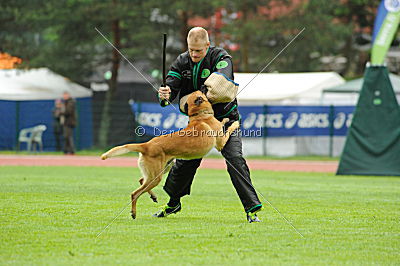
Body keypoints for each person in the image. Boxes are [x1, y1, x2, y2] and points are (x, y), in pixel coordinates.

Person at [155, 27, 262, 222]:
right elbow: (171, 86)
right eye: (191, 50)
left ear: (207, 45)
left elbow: (221, 85)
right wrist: (165, 94)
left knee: (235, 159)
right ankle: (173, 203)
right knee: (185, 163)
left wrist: (194, 96)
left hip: (226, 121)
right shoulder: (181, 61)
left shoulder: (221, 57)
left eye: (198, 50)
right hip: (200, 125)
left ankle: (251, 209)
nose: (194, 54)